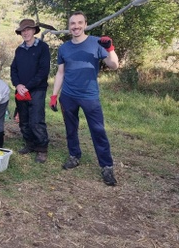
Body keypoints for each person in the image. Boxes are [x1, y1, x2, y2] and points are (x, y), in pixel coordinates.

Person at [50, 11, 119, 186]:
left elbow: (114, 65)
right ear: (69, 26)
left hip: (90, 96)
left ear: (85, 24)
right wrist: (54, 95)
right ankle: (74, 156)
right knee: (71, 129)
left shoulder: (97, 43)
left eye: (79, 23)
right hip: (68, 96)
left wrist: (110, 49)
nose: (76, 26)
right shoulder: (64, 48)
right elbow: (60, 73)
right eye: (73, 23)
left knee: (98, 131)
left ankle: (107, 166)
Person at [10, 19, 51, 163]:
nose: (25, 32)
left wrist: (28, 86)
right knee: (24, 120)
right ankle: (30, 144)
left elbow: (43, 71)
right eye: (23, 30)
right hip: (21, 90)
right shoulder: (19, 50)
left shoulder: (43, 47)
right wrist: (17, 85)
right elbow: (13, 69)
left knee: (36, 120)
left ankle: (42, 148)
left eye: (28, 29)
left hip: (37, 90)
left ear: (34, 30)